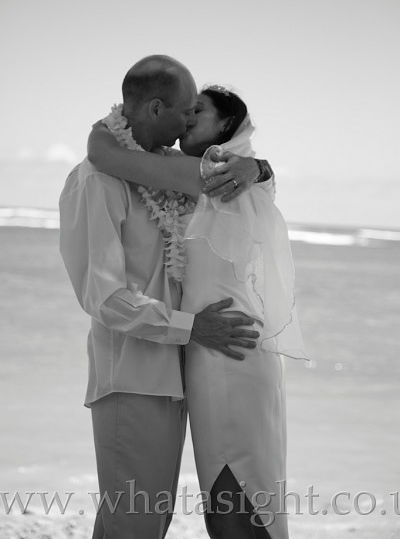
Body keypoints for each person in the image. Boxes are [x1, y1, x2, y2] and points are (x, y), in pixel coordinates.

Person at [59, 55, 268, 539]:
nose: (188, 122)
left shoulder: (164, 169)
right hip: (131, 378)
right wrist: (194, 328)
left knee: (142, 521)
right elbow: (105, 297)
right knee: (134, 524)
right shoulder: (97, 180)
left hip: (172, 376)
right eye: (186, 111)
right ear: (156, 109)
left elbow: (244, 186)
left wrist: (257, 166)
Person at [88, 83, 308, 538]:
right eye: (186, 110)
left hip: (229, 350)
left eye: (199, 111)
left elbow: (106, 155)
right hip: (215, 347)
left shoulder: (213, 173)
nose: (187, 118)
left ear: (227, 125)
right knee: (234, 492)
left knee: (237, 489)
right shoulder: (229, 174)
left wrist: (103, 126)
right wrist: (259, 166)